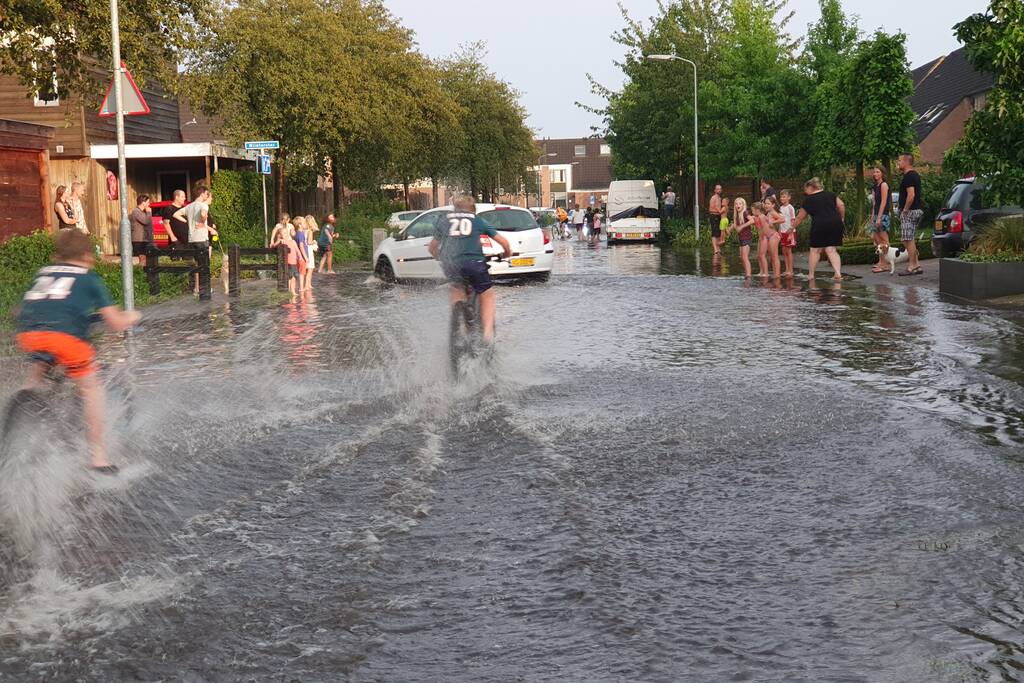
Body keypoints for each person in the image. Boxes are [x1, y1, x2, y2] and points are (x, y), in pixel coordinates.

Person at [14, 229, 141, 472]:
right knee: (91, 387)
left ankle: (28, 391)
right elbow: (115, 323)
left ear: (57, 256)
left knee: (43, 361)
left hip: (29, 335)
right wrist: (133, 316)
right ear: (87, 256)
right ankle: (98, 457)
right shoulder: (88, 278)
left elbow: (22, 310)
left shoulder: (43, 273)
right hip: (64, 340)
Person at [428, 195, 511, 343]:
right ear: (473, 209)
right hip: (474, 263)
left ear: (455, 208)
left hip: (451, 264)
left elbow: (432, 248)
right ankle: (487, 335)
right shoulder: (477, 220)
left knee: (457, 288)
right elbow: (504, 243)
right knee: (487, 294)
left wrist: (440, 257)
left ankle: (457, 318)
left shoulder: (445, 221)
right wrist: (506, 254)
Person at [791, 177, 845, 280]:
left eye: (806, 190)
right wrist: (842, 218)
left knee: (815, 250)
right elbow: (841, 205)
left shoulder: (809, 199)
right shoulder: (830, 194)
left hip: (820, 224)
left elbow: (800, 217)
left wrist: (791, 228)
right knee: (831, 250)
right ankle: (837, 273)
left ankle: (811, 275)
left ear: (810, 187)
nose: (805, 193)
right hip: (835, 222)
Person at [174, 184, 218, 295]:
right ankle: (205, 290)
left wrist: (187, 221)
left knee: (198, 264)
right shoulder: (204, 205)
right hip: (201, 239)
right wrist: (203, 220)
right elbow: (203, 214)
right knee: (205, 265)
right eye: (206, 194)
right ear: (202, 194)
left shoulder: (189, 206)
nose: (207, 196)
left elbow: (176, 214)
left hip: (192, 240)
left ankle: (197, 289)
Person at [896, 154, 924, 276]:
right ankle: (916, 264)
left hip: (910, 211)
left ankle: (912, 265)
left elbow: (911, 195)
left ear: (906, 162)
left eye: (899, 160)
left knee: (908, 239)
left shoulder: (909, 176)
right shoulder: (914, 175)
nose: (898, 162)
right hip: (914, 210)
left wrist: (905, 210)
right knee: (906, 239)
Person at [867, 166, 893, 273]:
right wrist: (872, 217)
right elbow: (875, 203)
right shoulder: (875, 186)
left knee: (884, 240)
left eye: (878, 172)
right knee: (877, 239)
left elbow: (883, 202)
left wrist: (879, 217)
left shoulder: (884, 185)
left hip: (883, 215)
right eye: (874, 172)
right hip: (876, 215)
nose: (875, 174)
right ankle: (881, 262)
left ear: (882, 173)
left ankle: (886, 264)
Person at [272, 220, 301, 297]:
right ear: (280, 235)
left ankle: (293, 291)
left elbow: (297, 250)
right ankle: (288, 290)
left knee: (294, 277)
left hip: (294, 262)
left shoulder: (293, 241)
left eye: (286, 232)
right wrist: (279, 240)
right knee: (289, 277)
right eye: (283, 233)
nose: (286, 234)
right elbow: (274, 246)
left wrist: (300, 257)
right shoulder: (282, 241)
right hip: (288, 262)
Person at [760, 196, 784, 277]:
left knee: (774, 256)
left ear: (773, 205)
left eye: (768, 204)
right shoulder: (768, 212)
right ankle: (775, 274)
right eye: (765, 203)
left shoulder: (773, 212)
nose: (766, 205)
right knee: (772, 256)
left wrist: (773, 222)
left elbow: (782, 219)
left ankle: (777, 275)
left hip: (773, 236)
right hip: (769, 236)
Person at [130, 194, 154, 267]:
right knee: (143, 258)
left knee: (147, 259)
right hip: (139, 240)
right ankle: (140, 272)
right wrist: (149, 212)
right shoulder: (136, 211)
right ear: (143, 202)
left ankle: (143, 271)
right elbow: (145, 221)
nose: (149, 204)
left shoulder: (143, 212)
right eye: (148, 202)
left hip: (145, 239)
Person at [733, 198, 754, 278]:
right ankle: (746, 274)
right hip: (741, 238)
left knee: (745, 257)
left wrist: (741, 227)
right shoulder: (737, 215)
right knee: (742, 258)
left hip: (747, 238)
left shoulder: (745, 212)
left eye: (740, 204)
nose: (738, 205)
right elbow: (736, 226)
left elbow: (752, 221)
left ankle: (748, 275)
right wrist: (730, 229)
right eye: (736, 204)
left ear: (743, 205)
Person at [778, 190, 797, 277]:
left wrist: (790, 233)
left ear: (789, 197)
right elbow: (780, 221)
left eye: (784, 197)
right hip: (782, 232)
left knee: (788, 251)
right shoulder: (780, 208)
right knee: (784, 251)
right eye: (781, 197)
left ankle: (791, 270)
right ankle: (786, 269)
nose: (782, 198)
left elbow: (793, 220)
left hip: (789, 232)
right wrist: (779, 231)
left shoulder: (790, 208)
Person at [708, 184, 725, 255]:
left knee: (718, 232)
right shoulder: (714, 197)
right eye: (717, 189)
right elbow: (717, 208)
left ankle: (718, 248)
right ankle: (715, 249)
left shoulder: (719, 198)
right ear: (715, 190)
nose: (719, 190)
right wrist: (723, 210)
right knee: (714, 232)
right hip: (713, 215)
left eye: (720, 189)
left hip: (718, 216)